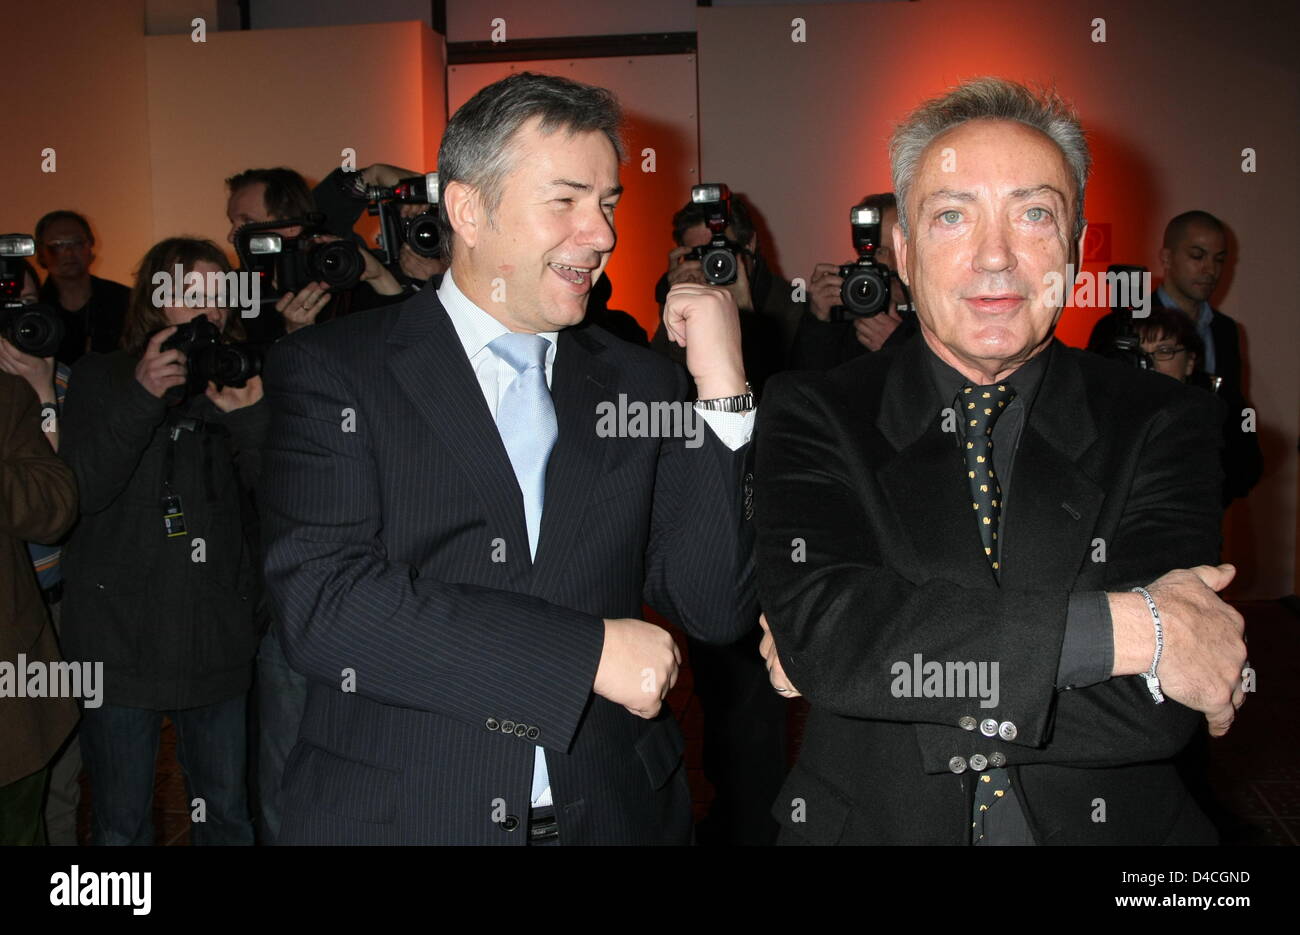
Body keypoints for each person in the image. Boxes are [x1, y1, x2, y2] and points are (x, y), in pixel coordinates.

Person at [260, 71, 757, 845]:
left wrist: (723, 390)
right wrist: (584, 653)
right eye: (565, 201)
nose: (602, 235)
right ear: (468, 207)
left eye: (608, 205)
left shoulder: (640, 379)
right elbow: (327, 604)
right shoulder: (335, 371)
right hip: (406, 818)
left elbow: (714, 605)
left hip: (616, 813)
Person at [755, 77, 1248, 845]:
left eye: (1034, 214)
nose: (995, 257)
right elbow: (829, 633)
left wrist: (873, 681)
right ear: (906, 253)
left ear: (1077, 250)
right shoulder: (812, 411)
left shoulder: (1167, 420)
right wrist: (1131, 630)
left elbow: (1157, 711)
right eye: (953, 216)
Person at [60, 237, 267, 845]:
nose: (208, 309)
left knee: (227, 813)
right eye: (188, 293)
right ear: (155, 300)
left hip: (216, 637)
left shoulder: (242, 379)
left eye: (218, 293)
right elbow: (81, 494)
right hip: (119, 639)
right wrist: (142, 397)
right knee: (120, 823)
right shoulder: (102, 376)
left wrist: (253, 419)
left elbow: (280, 505)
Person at [1088, 211, 1261, 503]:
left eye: (1219, 259)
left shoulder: (1225, 330)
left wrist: (1225, 485)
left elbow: (1233, 409)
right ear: (1166, 258)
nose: (1210, 270)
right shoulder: (1122, 324)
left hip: (1203, 493)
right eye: (1198, 256)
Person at [0, 259, 80, 844]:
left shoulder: (69, 382)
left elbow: (60, 506)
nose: (19, 320)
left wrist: (41, 394)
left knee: (53, 787)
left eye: (27, 305)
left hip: (42, 609)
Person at [650, 192, 799, 395]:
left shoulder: (794, 307)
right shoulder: (691, 301)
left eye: (721, 251)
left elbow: (779, 401)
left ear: (750, 244)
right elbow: (664, 396)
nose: (714, 265)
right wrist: (680, 317)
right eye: (700, 255)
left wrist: (745, 315)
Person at [791, 192, 918, 370]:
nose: (892, 263)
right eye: (880, 251)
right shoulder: (850, 307)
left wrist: (898, 345)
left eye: (900, 247)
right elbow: (807, 386)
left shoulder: (943, 313)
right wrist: (819, 323)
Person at [34, 210, 129, 365]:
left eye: (77, 243)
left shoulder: (124, 300)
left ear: (91, 246)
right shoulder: (34, 306)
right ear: (41, 253)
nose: (69, 252)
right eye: (57, 245)